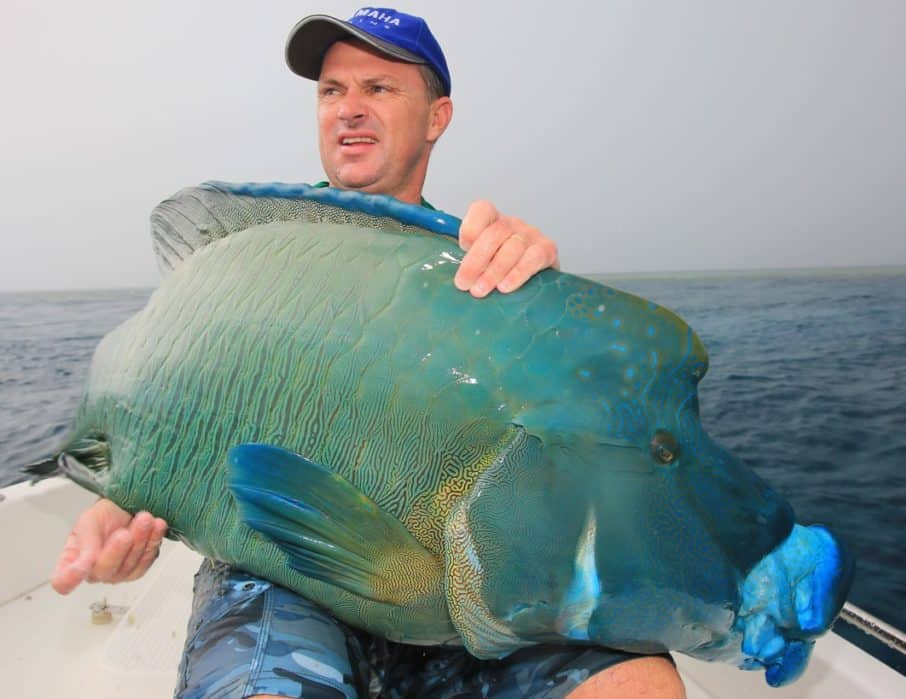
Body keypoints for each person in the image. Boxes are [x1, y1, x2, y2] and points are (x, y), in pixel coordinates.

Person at [51, 8, 686, 699]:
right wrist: (117, 512)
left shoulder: (485, 268)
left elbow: (567, 457)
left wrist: (541, 302)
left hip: (458, 590)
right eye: (332, 91)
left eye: (379, 89)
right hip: (283, 573)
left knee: (641, 686)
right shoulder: (257, 267)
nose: (349, 110)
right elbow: (186, 415)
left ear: (437, 116)